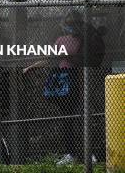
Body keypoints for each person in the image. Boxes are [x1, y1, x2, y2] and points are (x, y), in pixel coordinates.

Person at [23, 10, 84, 165]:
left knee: (78, 115)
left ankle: (84, 152)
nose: (70, 27)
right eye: (68, 23)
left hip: (76, 78)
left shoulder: (83, 40)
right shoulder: (61, 40)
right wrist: (32, 67)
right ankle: (71, 153)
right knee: (67, 117)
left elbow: (85, 57)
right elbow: (49, 58)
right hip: (63, 79)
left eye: (73, 23)